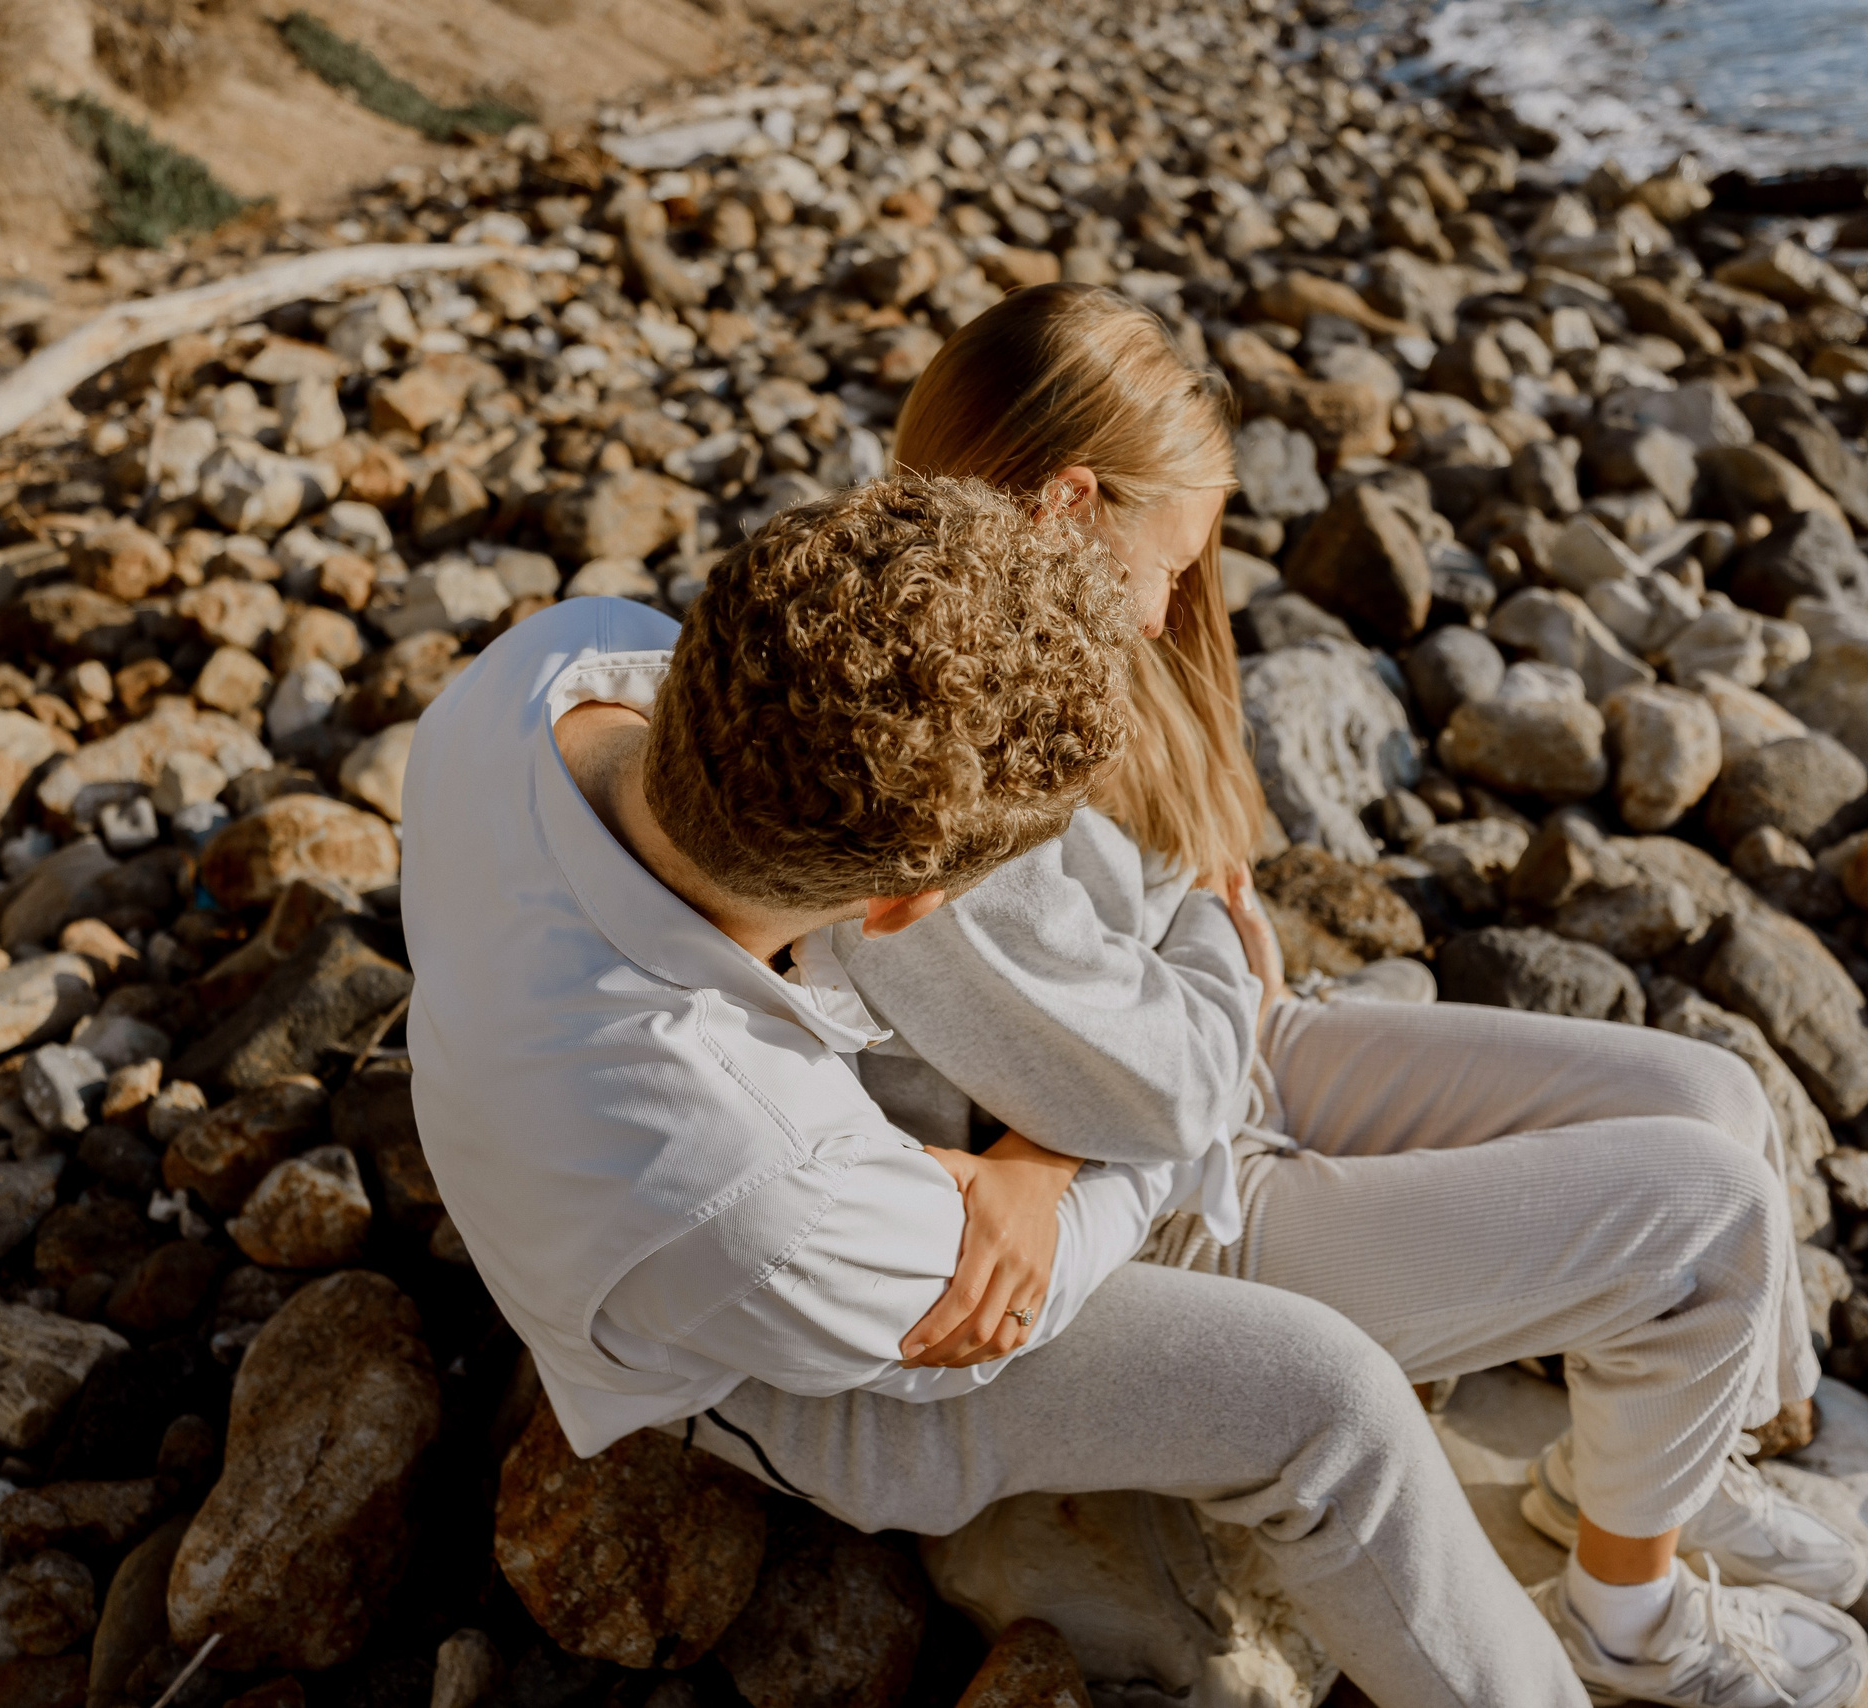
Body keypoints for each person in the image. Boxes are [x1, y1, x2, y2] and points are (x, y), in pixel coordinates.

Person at [403, 473, 1628, 1706]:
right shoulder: (760, 1180)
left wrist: (1034, 1152)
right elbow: (993, 1312)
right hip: (763, 1369)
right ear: (903, 912)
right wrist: (1077, 1155)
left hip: (630, 1180)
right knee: (1328, 1402)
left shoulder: (560, 658)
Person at [831, 284, 1868, 1708]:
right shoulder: (929, 743)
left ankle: (1649, 1480)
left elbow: (1190, 947)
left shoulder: (1061, 641)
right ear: (1068, 507)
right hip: (1169, 1192)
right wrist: (1189, 963)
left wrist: (1207, 936)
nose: (1173, 608)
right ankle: (1631, 1620)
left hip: (1221, 1062)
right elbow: (1131, 1069)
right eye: (1171, 564)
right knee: (1712, 1221)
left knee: (1717, 1096)